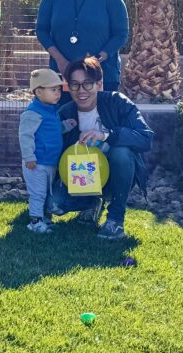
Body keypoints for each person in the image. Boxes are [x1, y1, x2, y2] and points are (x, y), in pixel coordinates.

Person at [52, 57, 154, 240]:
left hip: (116, 178)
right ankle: (92, 203)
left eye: (88, 84)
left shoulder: (118, 103)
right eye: (75, 84)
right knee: (53, 204)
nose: (81, 91)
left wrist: (108, 135)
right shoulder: (65, 113)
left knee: (121, 151)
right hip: (81, 179)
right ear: (68, 86)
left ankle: (115, 219)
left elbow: (146, 138)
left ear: (99, 84)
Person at [36, 0, 129, 96]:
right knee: (65, 120)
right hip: (62, 75)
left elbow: (121, 34)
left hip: (102, 75)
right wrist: (60, 60)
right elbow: (42, 30)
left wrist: (95, 60)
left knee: (99, 120)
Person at [18, 68, 66, 233]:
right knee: (38, 193)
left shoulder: (51, 110)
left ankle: (43, 217)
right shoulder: (33, 112)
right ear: (38, 92)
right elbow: (25, 136)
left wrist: (66, 126)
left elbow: (52, 130)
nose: (58, 93)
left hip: (49, 161)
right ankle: (35, 221)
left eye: (59, 89)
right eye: (53, 89)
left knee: (46, 192)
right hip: (36, 162)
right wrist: (29, 156)